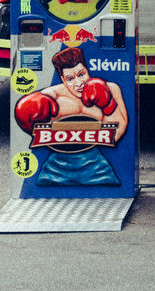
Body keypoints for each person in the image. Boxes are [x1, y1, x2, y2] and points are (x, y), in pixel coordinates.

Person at [11, 46, 130, 187]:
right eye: (70, 79)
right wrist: (27, 116)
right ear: (62, 79)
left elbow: (117, 133)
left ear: (87, 70)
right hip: (54, 172)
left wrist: (108, 104)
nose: (79, 83)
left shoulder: (110, 88)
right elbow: (34, 134)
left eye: (82, 74)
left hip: (99, 170)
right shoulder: (52, 97)